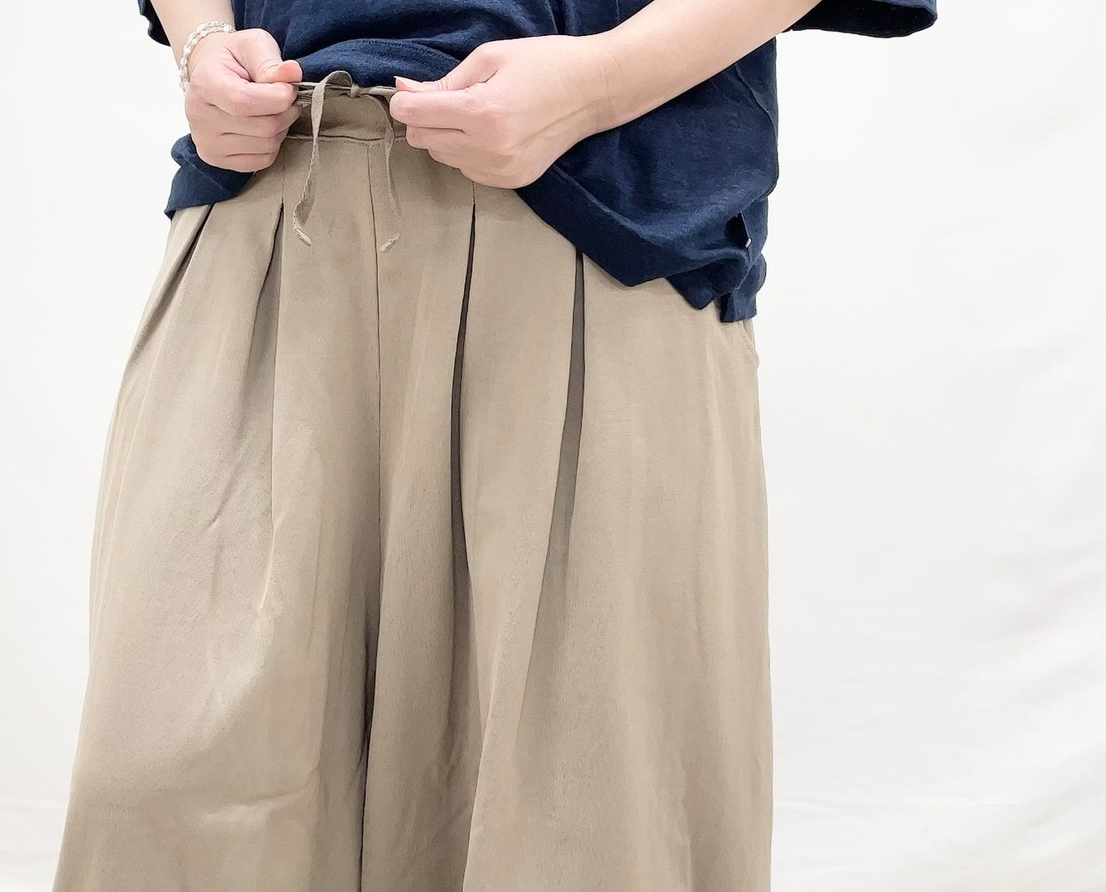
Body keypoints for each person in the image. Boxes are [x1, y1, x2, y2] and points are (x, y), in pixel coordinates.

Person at [52, 0, 936, 889]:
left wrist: (599, 83)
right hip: (269, 196)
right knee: (167, 803)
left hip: (597, 219)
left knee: (576, 826)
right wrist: (201, 42)